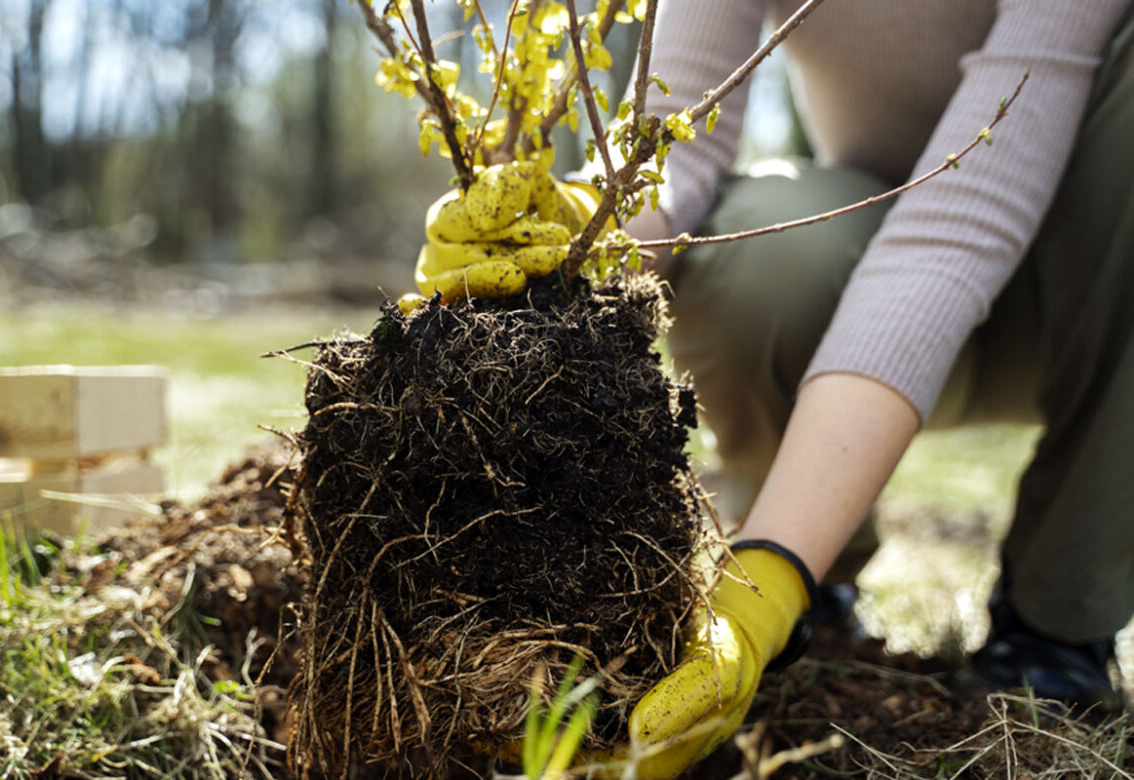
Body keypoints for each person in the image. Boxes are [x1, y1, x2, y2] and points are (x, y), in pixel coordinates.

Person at [410, 0, 1134, 776]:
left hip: (1094, 302)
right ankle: (820, 578)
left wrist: (765, 584)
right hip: (864, 269)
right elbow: (674, 142)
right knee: (758, 246)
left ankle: (1059, 622)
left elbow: (961, 223)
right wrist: (584, 228)